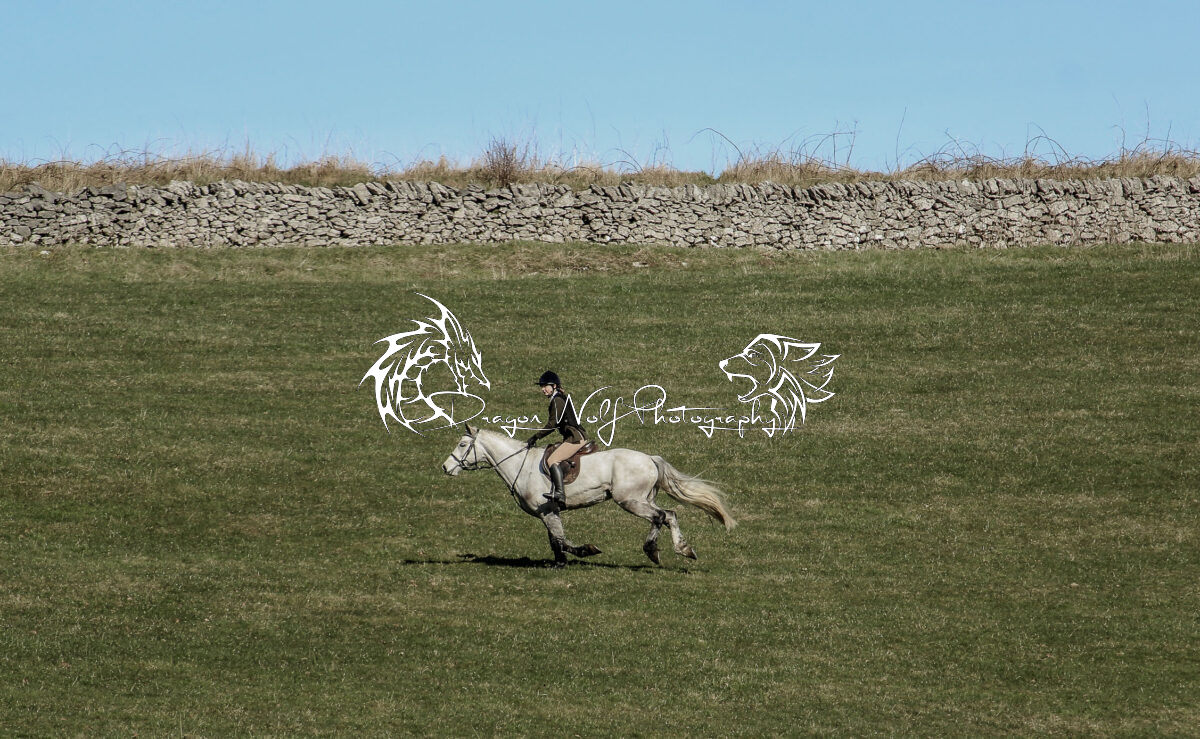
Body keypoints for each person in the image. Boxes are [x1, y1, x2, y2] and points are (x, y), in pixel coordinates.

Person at [526, 371, 589, 507]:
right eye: (542, 386)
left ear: (554, 386)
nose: (543, 389)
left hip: (575, 437)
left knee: (552, 460)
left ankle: (560, 493)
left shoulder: (557, 400)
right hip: (571, 436)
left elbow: (552, 424)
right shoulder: (558, 398)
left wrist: (535, 437)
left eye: (545, 386)